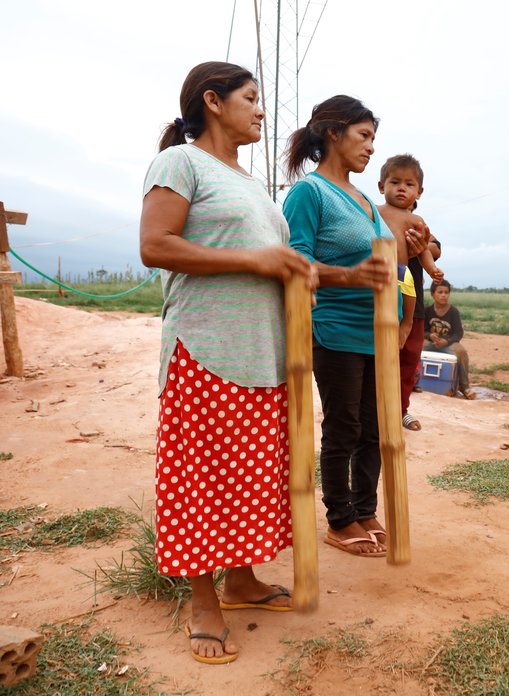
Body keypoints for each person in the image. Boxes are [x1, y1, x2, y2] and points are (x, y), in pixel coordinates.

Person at [139, 61, 317, 664]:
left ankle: (240, 581)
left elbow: (272, 258)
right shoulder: (180, 162)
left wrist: (300, 271)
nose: (261, 109)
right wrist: (258, 263)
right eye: (251, 98)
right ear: (213, 102)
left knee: (245, 476)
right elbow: (155, 246)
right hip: (207, 348)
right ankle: (204, 602)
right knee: (201, 480)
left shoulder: (251, 184)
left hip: (261, 352)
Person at [282, 95, 405, 558]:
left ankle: (364, 509)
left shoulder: (363, 200)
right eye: (364, 135)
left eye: (373, 138)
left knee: (375, 428)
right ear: (333, 133)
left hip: (378, 330)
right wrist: (350, 277)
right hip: (335, 327)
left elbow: (381, 260)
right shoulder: (308, 193)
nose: (371, 147)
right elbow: (297, 261)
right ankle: (339, 519)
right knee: (344, 425)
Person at [375, 153, 443, 431]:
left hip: (409, 295)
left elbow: (432, 249)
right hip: (378, 295)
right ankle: (377, 410)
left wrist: (429, 264)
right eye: (395, 182)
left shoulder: (418, 220)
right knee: (379, 356)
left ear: (419, 191)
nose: (401, 188)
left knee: (408, 358)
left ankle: (400, 409)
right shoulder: (372, 213)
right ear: (382, 186)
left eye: (409, 184)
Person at [423, 280, 476, 399]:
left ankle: (464, 386)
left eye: (446, 292)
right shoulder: (427, 311)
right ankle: (413, 380)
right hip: (431, 342)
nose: (443, 295)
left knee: (461, 352)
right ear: (432, 294)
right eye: (440, 292)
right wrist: (429, 336)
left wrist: (446, 341)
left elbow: (458, 333)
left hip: (447, 344)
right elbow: (422, 329)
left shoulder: (453, 312)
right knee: (416, 347)